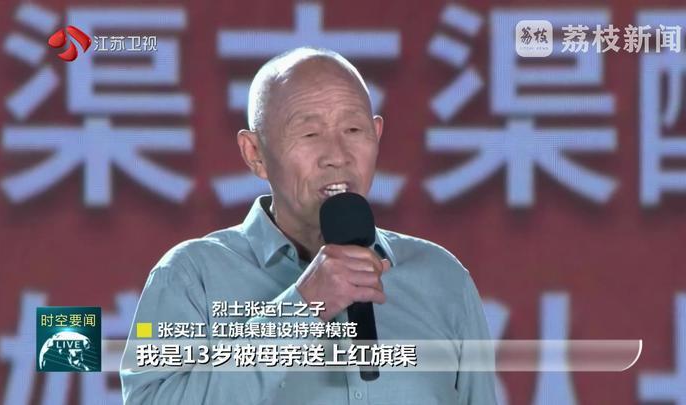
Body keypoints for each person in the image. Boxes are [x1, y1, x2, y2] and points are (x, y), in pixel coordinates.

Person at [120, 47, 496, 404]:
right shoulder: (192, 277)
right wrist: (301, 309)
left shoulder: (442, 279)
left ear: (377, 135)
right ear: (255, 153)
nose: (337, 156)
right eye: (310, 134)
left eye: (354, 130)